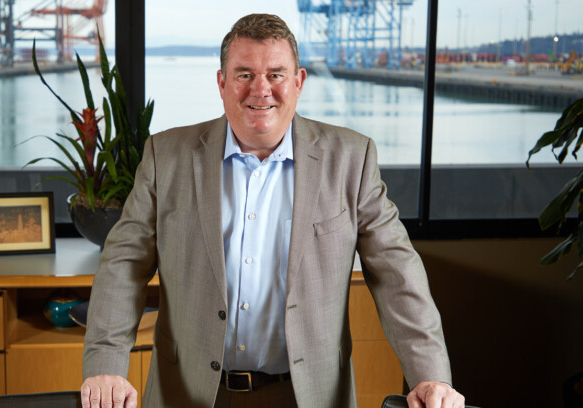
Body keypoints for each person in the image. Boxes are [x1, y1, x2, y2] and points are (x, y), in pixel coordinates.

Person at [81, 13, 465, 408]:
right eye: (244, 74)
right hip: (189, 391)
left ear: (298, 82)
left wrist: (429, 375)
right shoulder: (167, 156)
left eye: (276, 75)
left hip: (307, 395)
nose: (260, 90)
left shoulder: (351, 159)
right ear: (222, 82)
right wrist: (105, 364)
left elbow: (396, 271)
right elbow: (123, 263)